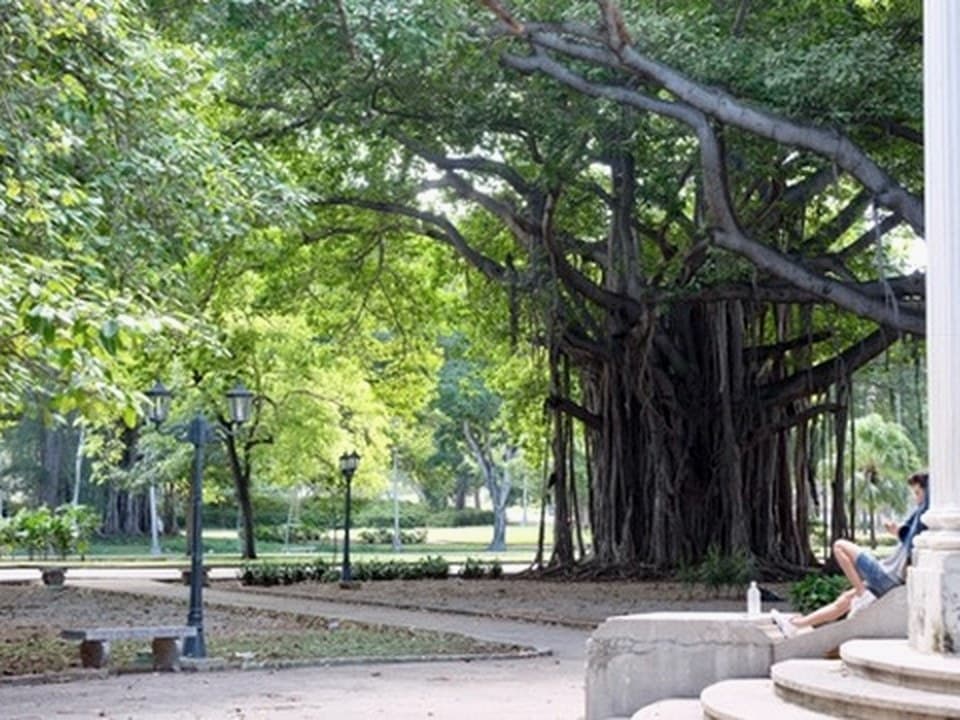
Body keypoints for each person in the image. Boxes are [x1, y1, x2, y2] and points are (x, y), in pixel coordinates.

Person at [771, 471, 928, 638]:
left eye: (918, 493)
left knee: (840, 546)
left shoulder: (923, 516)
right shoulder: (915, 525)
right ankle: (796, 625)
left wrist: (899, 531)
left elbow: (911, 534)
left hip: (886, 577)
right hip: (888, 578)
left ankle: (862, 595)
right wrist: (897, 531)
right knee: (844, 600)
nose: (916, 498)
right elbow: (907, 536)